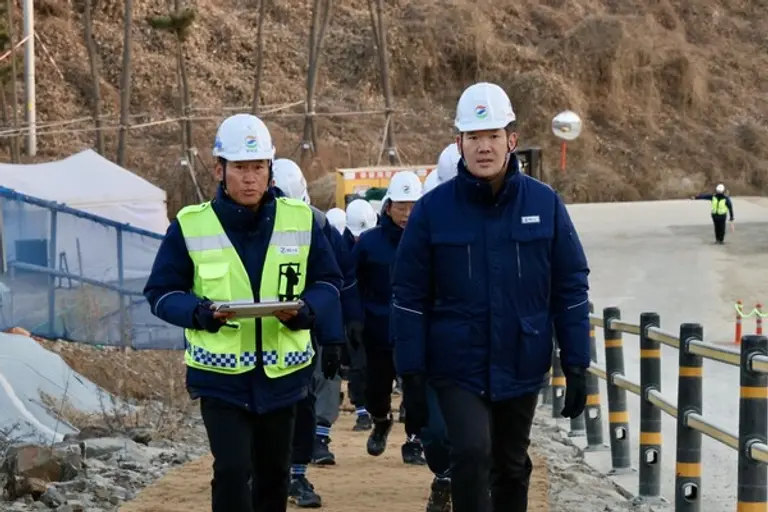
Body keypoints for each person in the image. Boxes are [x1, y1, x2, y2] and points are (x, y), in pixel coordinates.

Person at [390, 82, 590, 512]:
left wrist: (577, 363)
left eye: (493, 136)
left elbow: (571, 285)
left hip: (522, 357)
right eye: (474, 137)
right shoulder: (432, 211)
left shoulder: (545, 203)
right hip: (456, 364)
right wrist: (413, 375)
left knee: (511, 465)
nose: (484, 147)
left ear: (511, 140)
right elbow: (408, 296)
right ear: (459, 142)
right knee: (472, 454)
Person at [143, 113, 343, 512]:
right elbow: (161, 293)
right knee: (233, 471)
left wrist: (306, 312)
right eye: (240, 168)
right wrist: (199, 313)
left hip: (283, 376)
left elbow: (329, 283)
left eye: (258, 167)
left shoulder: (301, 221)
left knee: (274, 475)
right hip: (220, 379)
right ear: (220, 170)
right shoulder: (190, 226)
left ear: (270, 169)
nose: (250, 178)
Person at [353, 170, 427, 466]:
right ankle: (381, 421)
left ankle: (414, 440)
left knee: (416, 388)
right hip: (379, 329)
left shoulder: (428, 241)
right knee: (376, 391)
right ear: (388, 207)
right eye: (401, 207)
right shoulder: (369, 243)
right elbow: (351, 283)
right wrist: (354, 320)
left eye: (413, 206)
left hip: (417, 330)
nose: (407, 214)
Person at [340, 198, 379, 430]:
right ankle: (362, 411)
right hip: (353, 314)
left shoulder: (380, 240)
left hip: (378, 312)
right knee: (358, 364)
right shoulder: (342, 246)